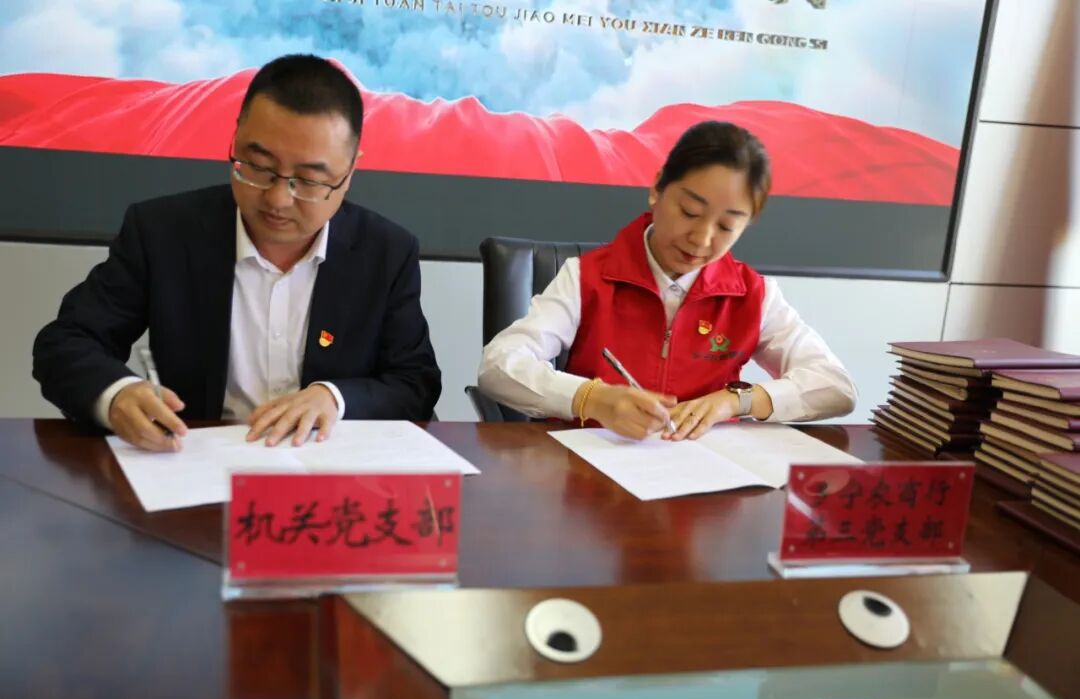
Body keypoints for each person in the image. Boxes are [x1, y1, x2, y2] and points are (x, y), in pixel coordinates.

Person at [33, 54, 441, 452]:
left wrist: (334, 398)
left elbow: (415, 383)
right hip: (195, 467)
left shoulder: (386, 252)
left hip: (328, 476)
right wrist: (117, 395)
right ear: (235, 140)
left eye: (308, 180)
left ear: (349, 173)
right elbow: (66, 342)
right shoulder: (163, 232)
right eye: (258, 166)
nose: (278, 199)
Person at [478, 121, 856, 441]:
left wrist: (736, 401)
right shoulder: (586, 278)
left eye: (727, 226)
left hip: (704, 480)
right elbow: (499, 365)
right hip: (589, 476)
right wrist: (590, 398)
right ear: (657, 188)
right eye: (689, 212)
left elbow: (836, 386)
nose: (701, 239)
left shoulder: (753, 295)